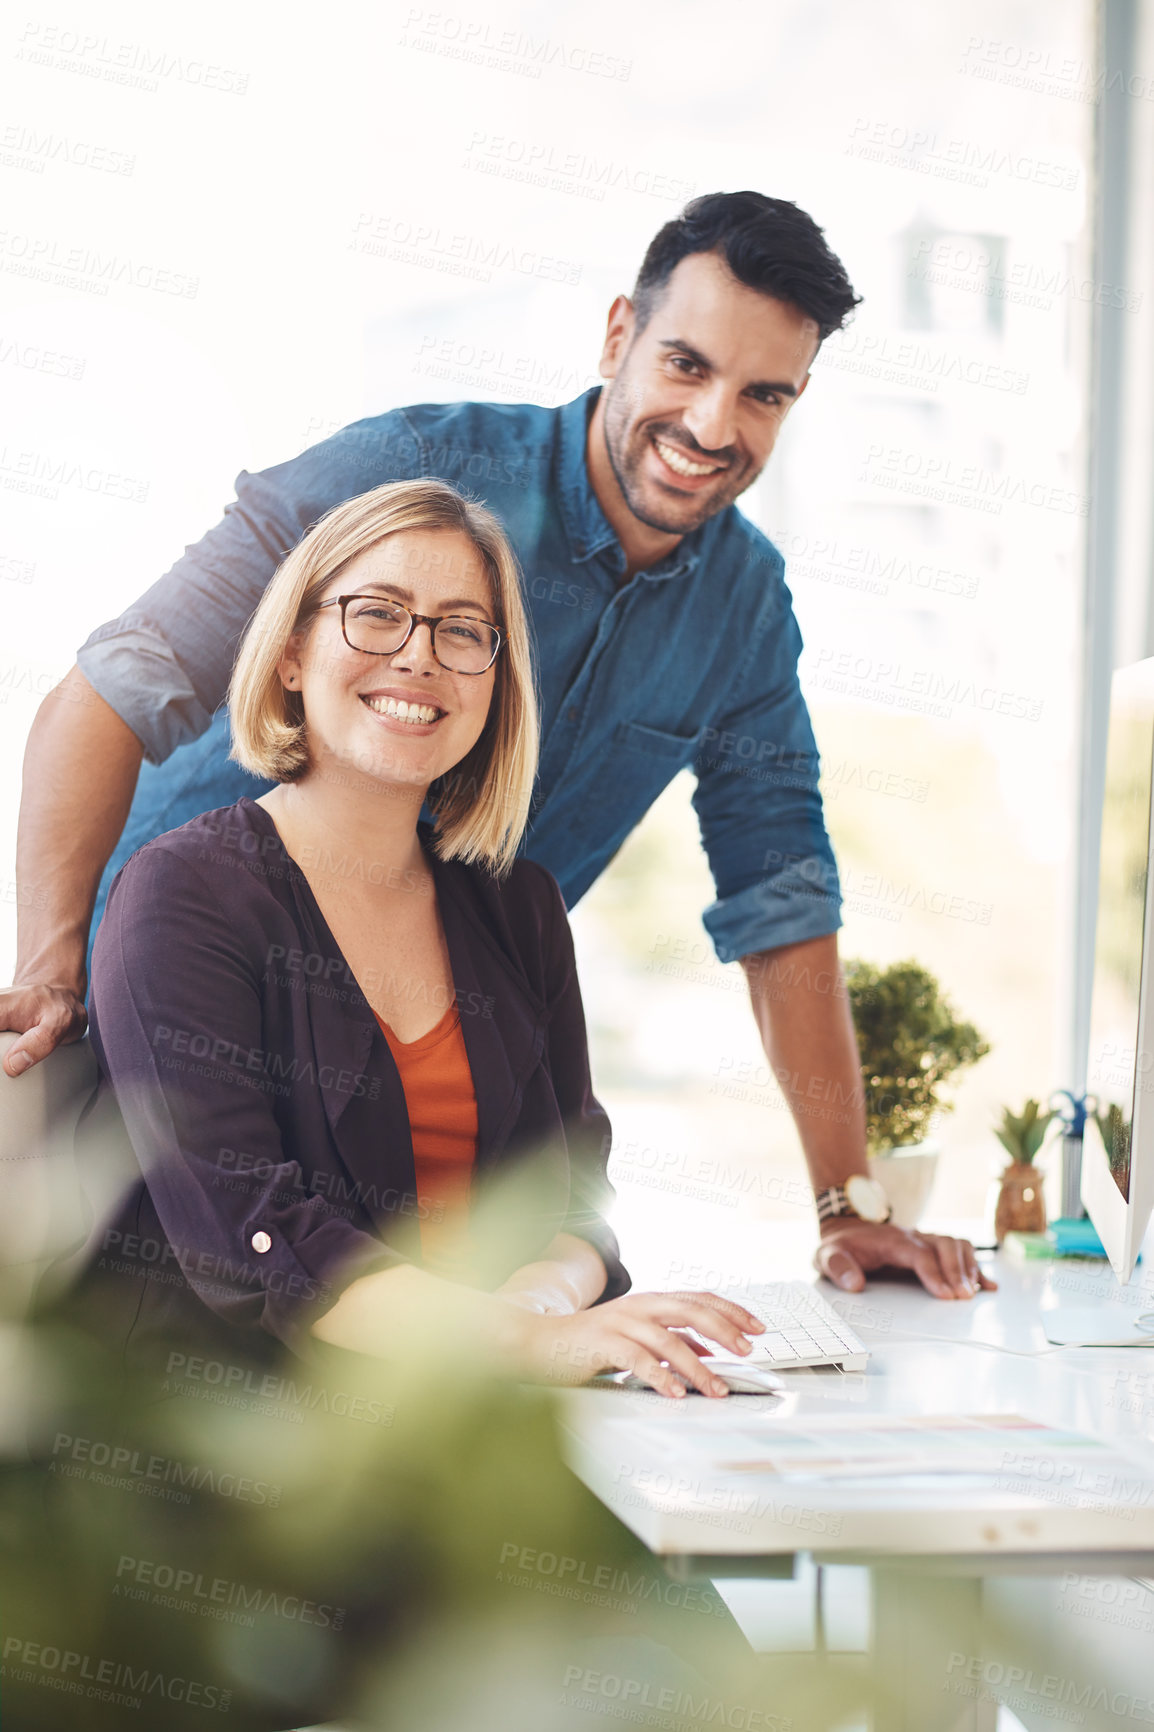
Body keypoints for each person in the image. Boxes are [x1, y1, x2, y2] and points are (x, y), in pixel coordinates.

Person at [3, 190, 992, 1302]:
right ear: (618, 334)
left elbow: (783, 894)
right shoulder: (412, 467)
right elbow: (115, 683)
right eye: (684, 366)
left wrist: (843, 1204)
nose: (713, 426)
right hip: (168, 1027)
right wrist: (51, 963)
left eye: (762, 395)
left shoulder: (744, 610)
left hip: (408, 1080)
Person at [71, 477, 764, 1397]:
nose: (418, 656)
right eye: (377, 614)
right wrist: (519, 1343)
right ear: (290, 654)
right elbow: (252, 1237)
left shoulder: (519, 905)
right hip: (237, 1457)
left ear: (494, 677)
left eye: (462, 630)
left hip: (457, 1424)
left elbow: (572, 1203)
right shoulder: (181, 895)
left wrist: (542, 1317)